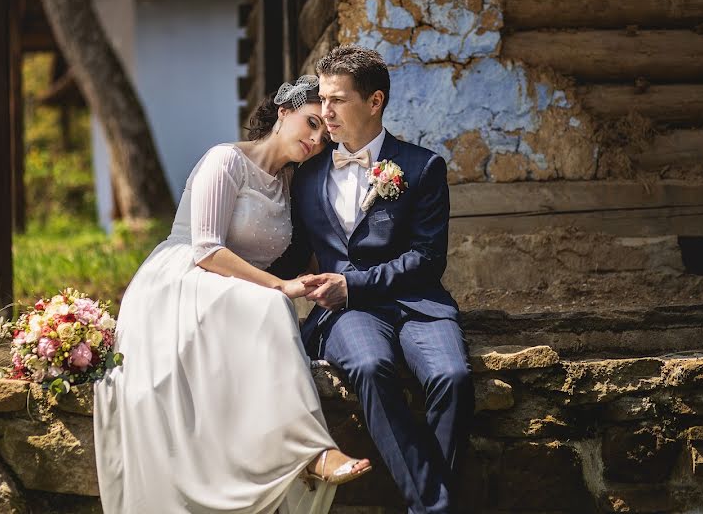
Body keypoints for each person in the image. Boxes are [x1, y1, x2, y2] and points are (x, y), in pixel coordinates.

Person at [93, 75, 371, 514]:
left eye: (325, 132)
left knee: (267, 308)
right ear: (283, 112)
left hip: (236, 291)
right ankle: (312, 452)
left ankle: (280, 456)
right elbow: (206, 248)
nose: (317, 139)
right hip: (183, 278)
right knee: (272, 303)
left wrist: (336, 284)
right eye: (310, 123)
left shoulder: (290, 186)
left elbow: (300, 255)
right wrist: (280, 286)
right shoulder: (225, 160)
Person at [270, 46, 475, 514]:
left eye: (337, 100)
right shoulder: (306, 176)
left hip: (418, 305)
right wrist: (226, 271)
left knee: (453, 376)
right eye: (322, 99)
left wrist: (353, 284)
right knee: (368, 367)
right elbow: (296, 254)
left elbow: (427, 259)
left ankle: (427, 503)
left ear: (375, 101)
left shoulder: (422, 167)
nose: (325, 112)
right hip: (347, 316)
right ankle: (435, 507)